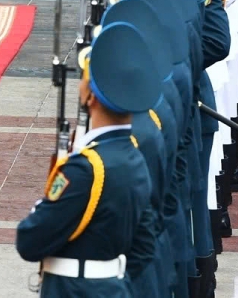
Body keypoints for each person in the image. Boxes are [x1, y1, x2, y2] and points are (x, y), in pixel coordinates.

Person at [15, 21, 159, 297]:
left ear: (90, 94)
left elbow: (30, 240)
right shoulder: (134, 157)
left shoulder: (85, 169)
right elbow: (144, 247)